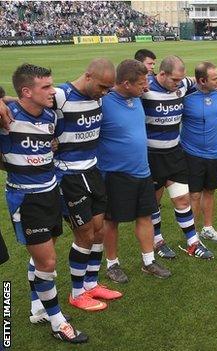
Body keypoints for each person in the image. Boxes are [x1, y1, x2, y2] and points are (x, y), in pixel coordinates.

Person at [0, 64, 87, 343]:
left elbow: (51, 145)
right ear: (26, 91)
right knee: (48, 262)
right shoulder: (7, 118)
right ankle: (57, 322)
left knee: (42, 256)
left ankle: (38, 307)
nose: (53, 91)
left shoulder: (51, 115)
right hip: (25, 199)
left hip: (51, 192)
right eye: (46, 87)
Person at [52, 59, 122, 311]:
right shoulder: (60, 95)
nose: (104, 92)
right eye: (102, 86)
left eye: (108, 88)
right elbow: (26, 103)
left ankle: (91, 284)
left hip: (92, 170)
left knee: (99, 231)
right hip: (68, 177)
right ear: (88, 76)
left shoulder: (100, 96)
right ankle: (76, 292)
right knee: (84, 234)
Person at [99, 59, 172, 283]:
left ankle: (148, 261)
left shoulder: (136, 97)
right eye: (141, 83)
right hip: (115, 173)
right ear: (126, 83)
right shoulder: (103, 101)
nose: (146, 86)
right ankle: (112, 264)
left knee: (145, 216)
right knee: (112, 221)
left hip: (142, 170)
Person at [143, 55, 215, 261]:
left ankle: (193, 242)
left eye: (179, 80)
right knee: (153, 205)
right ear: (161, 74)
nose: (177, 84)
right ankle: (157, 240)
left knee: (182, 199)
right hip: (151, 156)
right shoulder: (144, 89)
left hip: (175, 152)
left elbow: (194, 80)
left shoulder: (182, 83)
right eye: (174, 80)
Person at [181, 61, 217, 243]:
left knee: (209, 191)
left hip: (214, 153)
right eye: (215, 78)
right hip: (191, 153)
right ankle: (192, 236)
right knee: (194, 194)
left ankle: (207, 228)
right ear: (201, 80)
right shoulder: (186, 95)